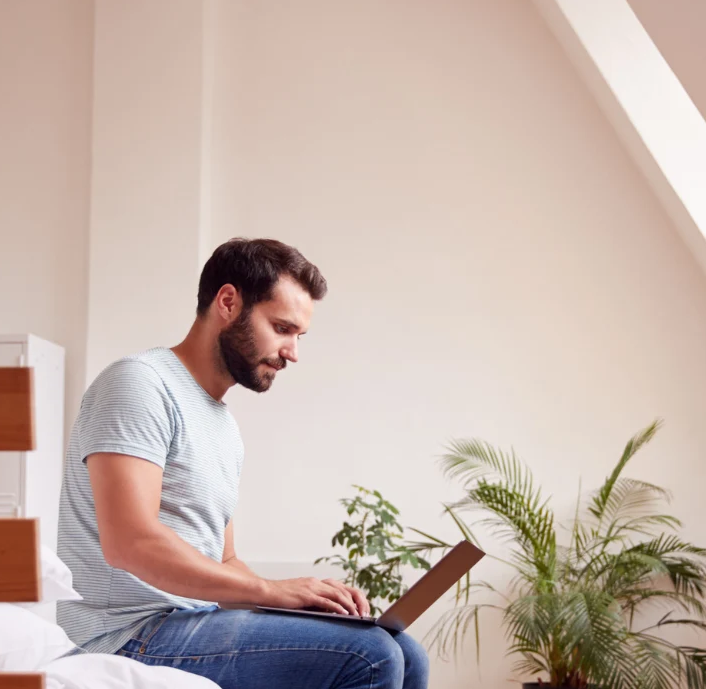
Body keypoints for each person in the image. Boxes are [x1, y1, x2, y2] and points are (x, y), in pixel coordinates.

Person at [56, 237, 427, 689]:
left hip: (192, 619)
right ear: (228, 302)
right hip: (125, 634)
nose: (293, 352)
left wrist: (291, 600)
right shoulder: (139, 384)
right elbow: (129, 542)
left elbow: (225, 558)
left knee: (406, 651)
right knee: (370, 657)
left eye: (298, 335)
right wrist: (270, 592)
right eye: (282, 328)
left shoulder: (223, 425)